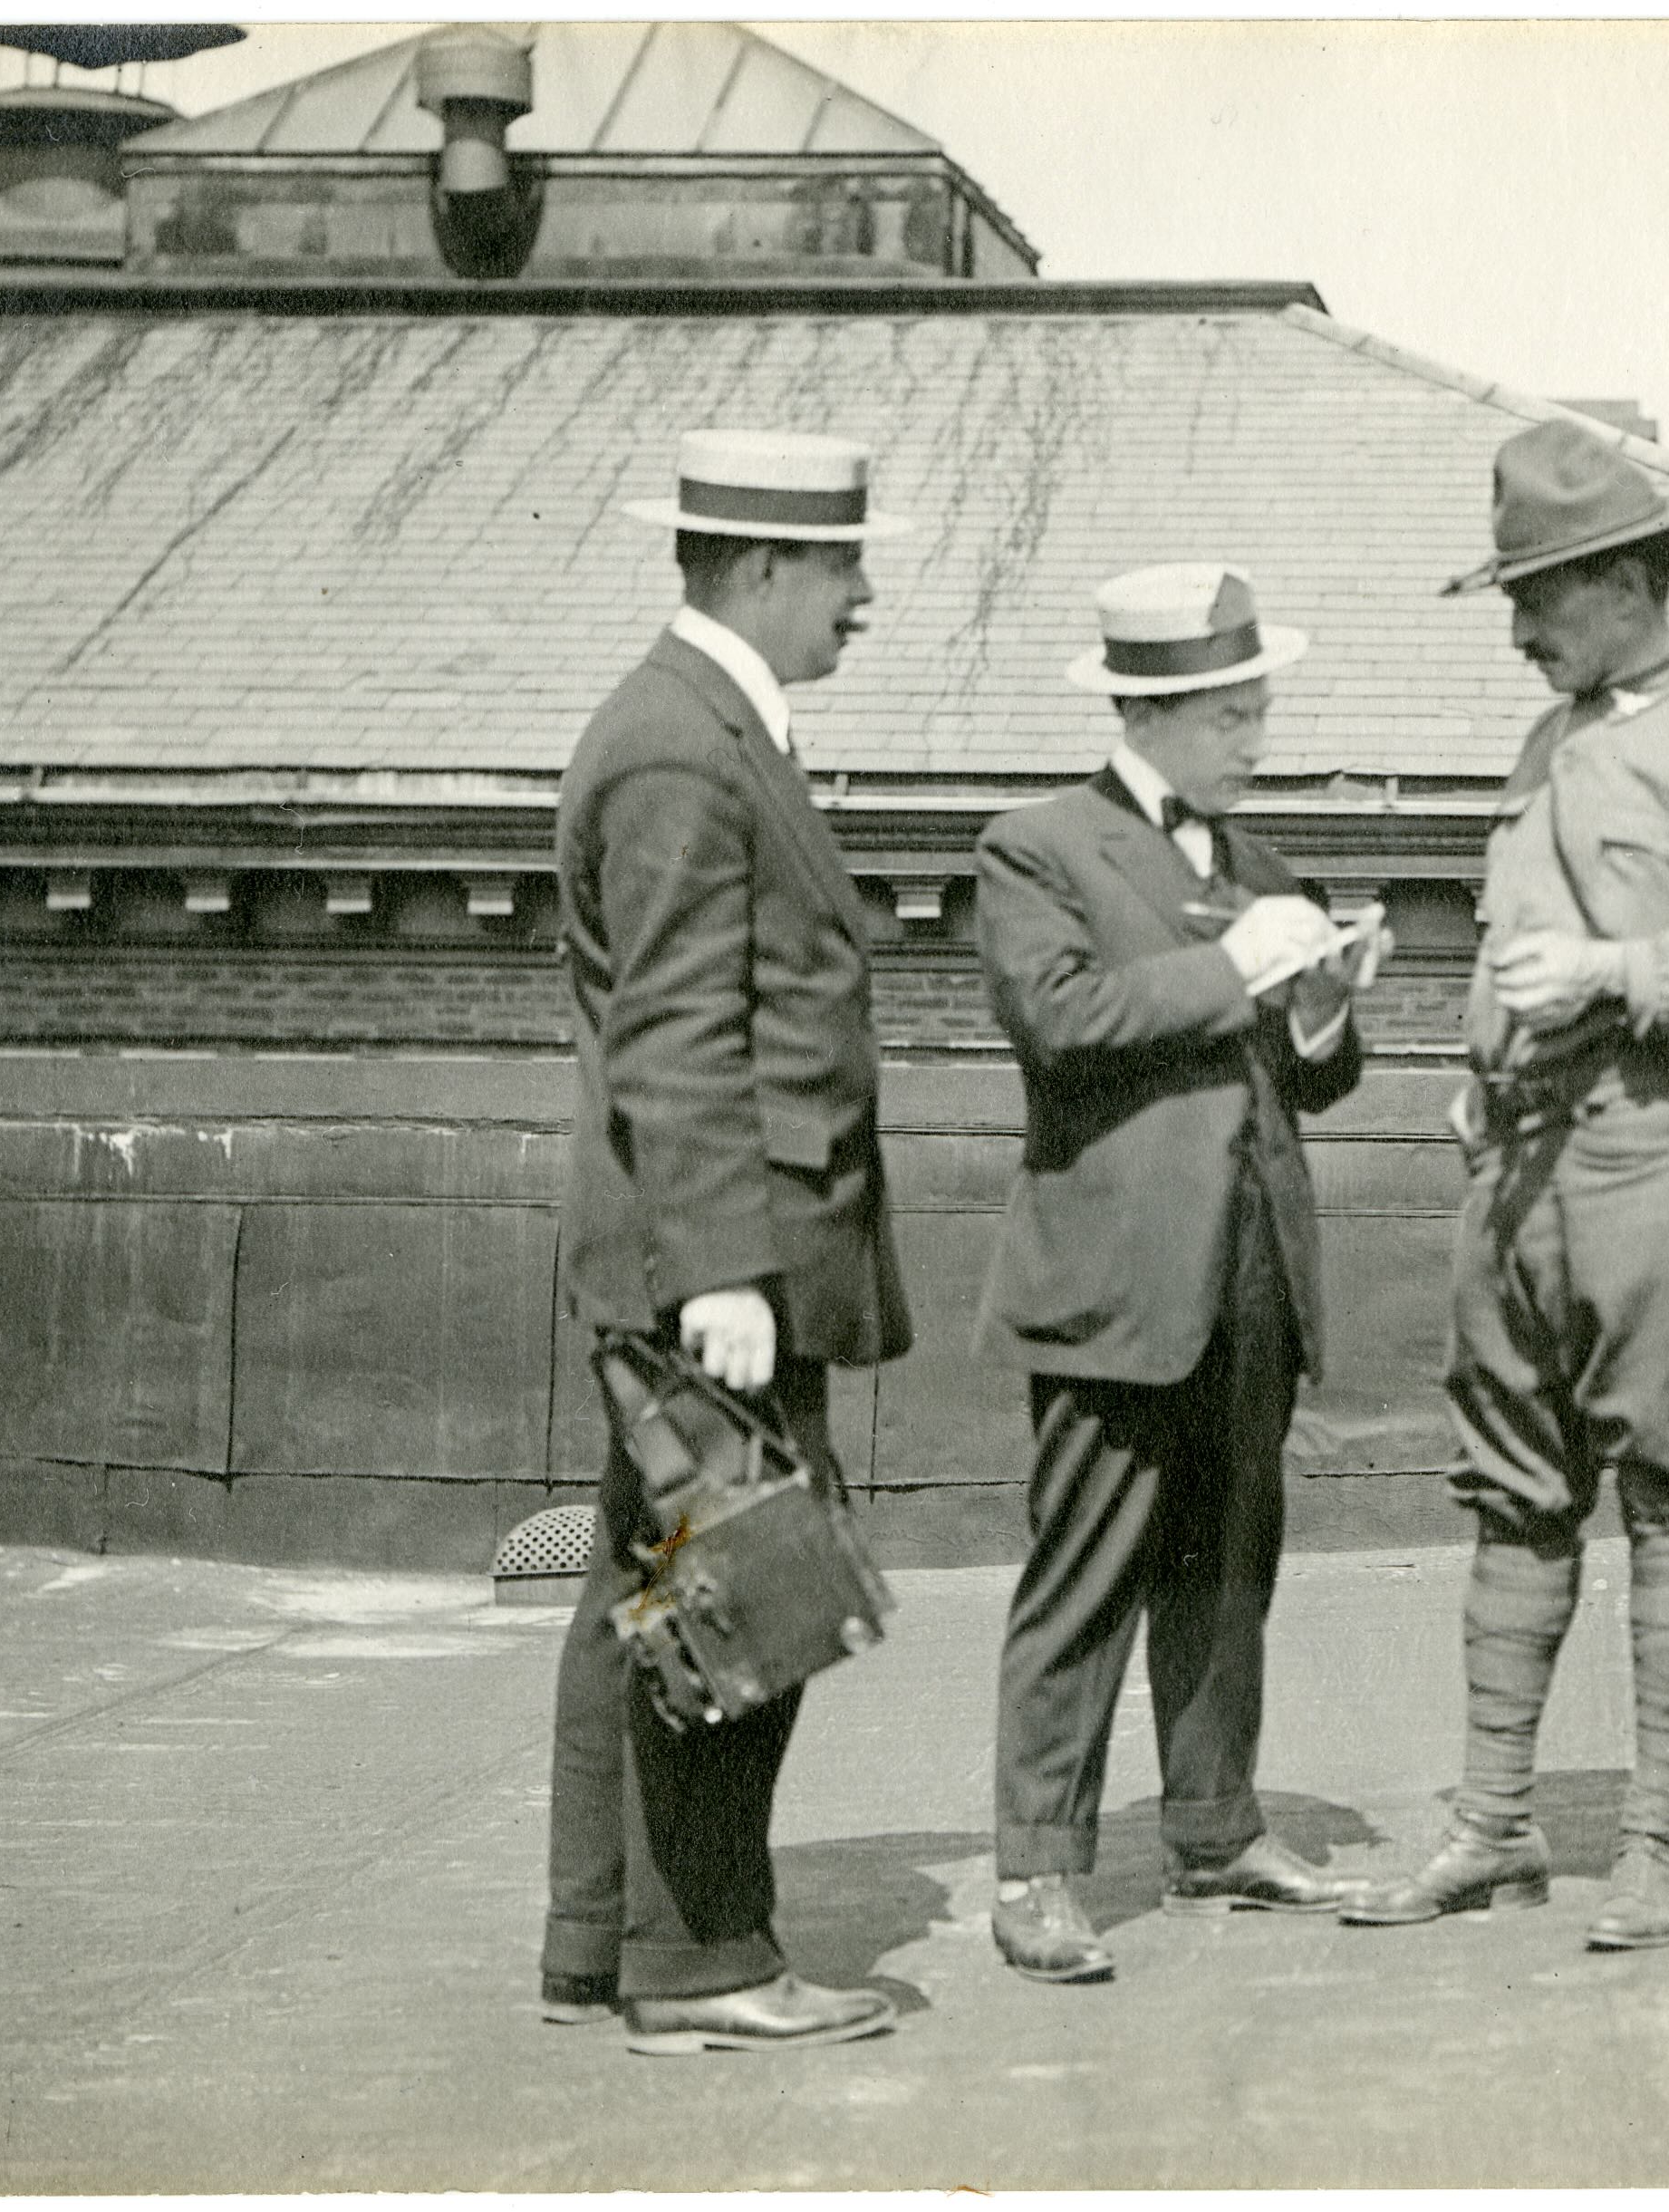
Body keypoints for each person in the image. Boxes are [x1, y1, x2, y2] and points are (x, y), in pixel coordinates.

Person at [1344, 418, 1669, 1951]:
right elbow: (1524, 941)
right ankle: (1492, 1825)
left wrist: (1618, 971)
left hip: (1654, 1146)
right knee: (1510, 1490)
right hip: (1516, 1157)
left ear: (1624, 581)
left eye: (1537, 599)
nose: (1515, 629)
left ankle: (1655, 1838)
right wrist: (1482, 1054)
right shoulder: (1549, 739)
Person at [538, 428, 915, 2056]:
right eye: (840, 568)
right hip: (718, 1261)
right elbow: (682, 1028)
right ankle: (698, 1966)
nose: (863, 598)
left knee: (646, 1593)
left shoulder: (693, 725)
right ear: (758, 569)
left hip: (712, 1244)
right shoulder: (685, 750)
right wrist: (720, 1271)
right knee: (739, 1604)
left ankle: (598, 1942)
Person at [972, 563, 1390, 1985]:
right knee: (1084, 1572)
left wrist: (1322, 1012)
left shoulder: (1262, 867)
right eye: (1231, 711)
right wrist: (1236, 974)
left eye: (1260, 706)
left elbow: (1302, 1082)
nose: (1255, 735)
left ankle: (1213, 1826)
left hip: (1252, 1273)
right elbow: (1061, 1016)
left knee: (1225, 1568)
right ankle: (1034, 1870)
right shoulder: (1036, 848)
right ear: (1148, 709)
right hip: (1115, 1280)